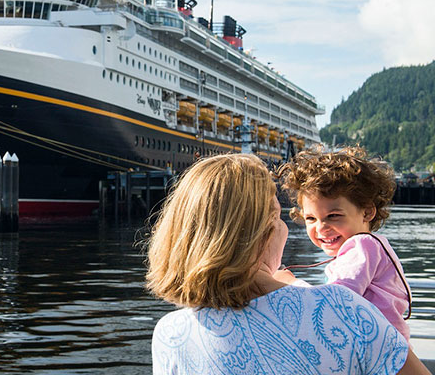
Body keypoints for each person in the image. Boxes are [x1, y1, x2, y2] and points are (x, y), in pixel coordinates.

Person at [146, 153, 429, 374]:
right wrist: (294, 287)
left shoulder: (169, 334)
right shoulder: (344, 309)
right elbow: (334, 305)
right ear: (265, 229)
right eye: (282, 216)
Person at [278, 146, 412, 340]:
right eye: (311, 219)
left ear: (366, 212)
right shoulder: (373, 246)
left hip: (376, 356)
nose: (321, 227)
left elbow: (336, 302)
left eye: (333, 216)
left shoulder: (362, 246)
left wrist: (291, 283)